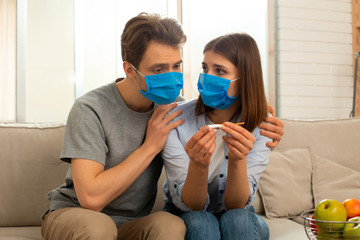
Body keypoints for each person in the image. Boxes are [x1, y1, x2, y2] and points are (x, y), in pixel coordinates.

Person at [41, 13, 284, 240]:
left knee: (172, 226)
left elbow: (216, 108)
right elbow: (90, 198)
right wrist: (150, 146)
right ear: (130, 70)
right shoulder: (90, 108)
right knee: (98, 227)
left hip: (135, 221)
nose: (172, 77)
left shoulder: (175, 110)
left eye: (176, 66)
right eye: (159, 69)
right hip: (77, 214)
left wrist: (264, 116)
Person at [162, 33, 274, 240]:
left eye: (220, 71)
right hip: (187, 213)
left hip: (239, 215)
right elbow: (192, 206)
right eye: (205, 68)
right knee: (201, 222)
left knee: (238, 218)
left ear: (245, 79)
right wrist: (199, 165)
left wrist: (238, 159)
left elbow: (236, 206)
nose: (207, 77)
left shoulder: (264, 126)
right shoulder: (175, 120)